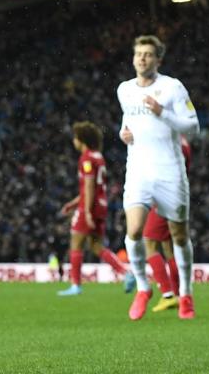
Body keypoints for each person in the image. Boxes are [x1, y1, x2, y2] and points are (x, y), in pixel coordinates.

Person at [117, 35, 199, 320]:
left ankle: (186, 295)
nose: (142, 58)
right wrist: (122, 134)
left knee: (179, 235)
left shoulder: (172, 87)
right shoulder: (124, 90)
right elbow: (127, 123)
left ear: (158, 60)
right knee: (134, 232)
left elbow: (193, 126)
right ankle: (143, 287)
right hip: (138, 170)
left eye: (148, 54)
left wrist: (161, 112)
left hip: (169, 172)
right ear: (133, 58)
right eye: (139, 54)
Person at [56, 121, 134, 296]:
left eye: (75, 138)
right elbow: (91, 189)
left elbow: (89, 186)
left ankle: (75, 285)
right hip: (101, 205)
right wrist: (73, 203)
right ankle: (126, 273)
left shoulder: (86, 159)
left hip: (89, 208)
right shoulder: (98, 156)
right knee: (96, 245)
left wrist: (86, 211)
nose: (74, 142)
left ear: (81, 140)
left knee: (76, 243)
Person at [143, 135, 191, 312]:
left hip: (164, 196)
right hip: (179, 194)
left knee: (149, 243)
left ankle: (167, 294)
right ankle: (178, 294)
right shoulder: (183, 141)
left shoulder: (167, 140)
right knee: (169, 247)